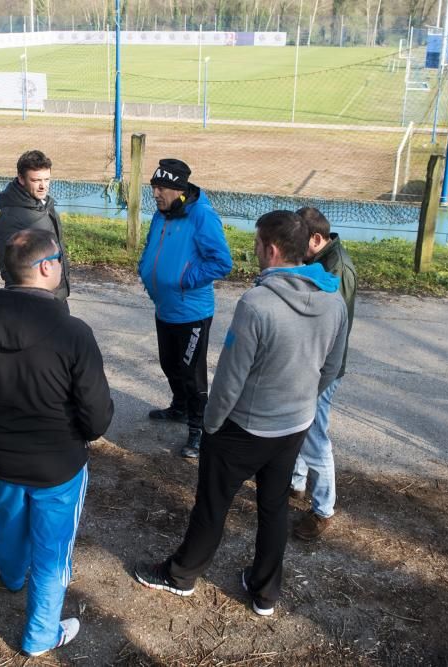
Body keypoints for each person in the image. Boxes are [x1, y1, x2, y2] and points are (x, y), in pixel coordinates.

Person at [134, 210, 348, 617]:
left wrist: (211, 425)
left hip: (244, 428)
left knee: (212, 504)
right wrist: (303, 399)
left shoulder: (257, 303)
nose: (253, 252)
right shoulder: (333, 299)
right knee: (273, 507)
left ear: (270, 249)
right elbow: (332, 367)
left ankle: (181, 575)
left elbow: (231, 378)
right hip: (294, 426)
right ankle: (265, 592)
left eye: (255, 245)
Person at [0, 229, 114, 656]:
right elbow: (97, 416)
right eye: (59, 258)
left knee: (8, 519)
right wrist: (76, 434)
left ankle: (9, 574)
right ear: (46, 266)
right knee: (53, 549)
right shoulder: (73, 332)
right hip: (58, 465)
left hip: (3, 456)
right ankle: (41, 635)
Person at [137, 158, 233, 458]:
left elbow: (222, 262)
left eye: (161, 188)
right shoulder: (162, 213)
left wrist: (181, 279)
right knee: (169, 363)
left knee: (191, 373)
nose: (156, 194)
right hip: (164, 307)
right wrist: (146, 270)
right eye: (154, 187)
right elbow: (153, 246)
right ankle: (179, 408)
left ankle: (198, 428)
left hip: (191, 312)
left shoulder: (202, 216)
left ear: (179, 190)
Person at [290, 206, 357, 541]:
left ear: (316, 239)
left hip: (323, 367)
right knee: (305, 426)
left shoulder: (337, 270)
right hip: (315, 363)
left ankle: (323, 510)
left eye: (299, 242)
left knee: (315, 434)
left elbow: (330, 326)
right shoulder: (322, 260)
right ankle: (297, 483)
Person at [0, 150, 70, 300]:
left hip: (57, 294)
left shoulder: (45, 204)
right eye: (36, 180)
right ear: (21, 179)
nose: (43, 186)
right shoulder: (11, 216)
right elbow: (9, 269)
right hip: (38, 300)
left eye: (47, 179)